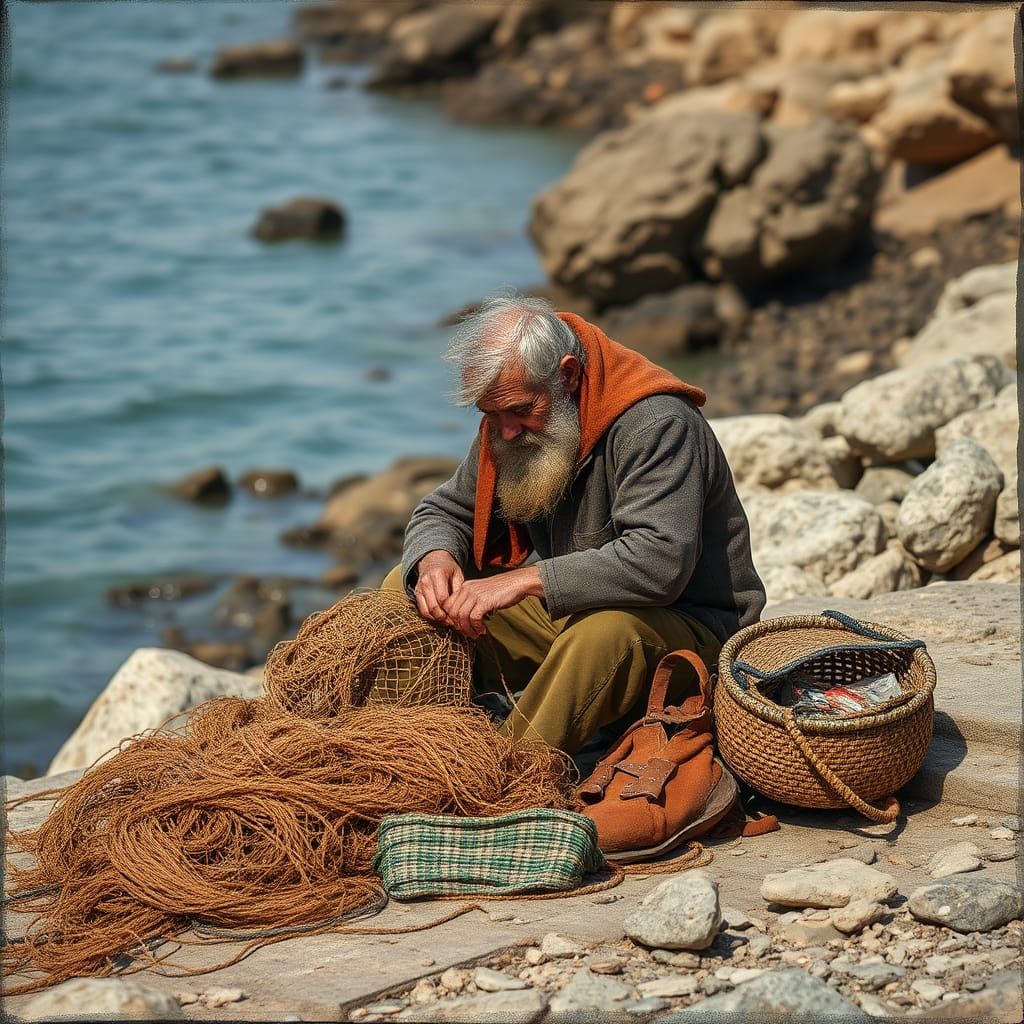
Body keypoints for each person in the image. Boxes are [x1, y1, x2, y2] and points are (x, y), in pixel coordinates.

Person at [381, 292, 765, 756]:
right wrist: (435, 559)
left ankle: (505, 773)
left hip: (692, 635)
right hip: (581, 615)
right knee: (407, 593)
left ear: (567, 375)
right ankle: (409, 745)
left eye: (520, 410)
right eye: (491, 415)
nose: (505, 431)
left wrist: (524, 581)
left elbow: (659, 561)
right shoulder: (512, 423)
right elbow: (446, 511)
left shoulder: (657, 423)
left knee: (602, 634)